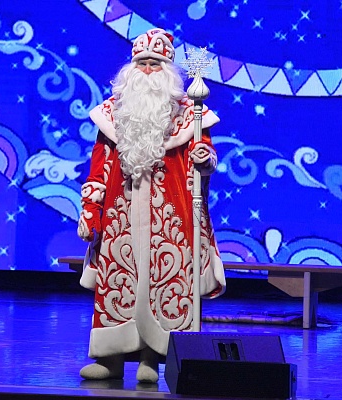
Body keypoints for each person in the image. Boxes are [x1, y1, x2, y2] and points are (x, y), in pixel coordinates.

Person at [77, 28, 226, 383]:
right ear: (130, 68)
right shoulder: (112, 114)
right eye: (141, 62)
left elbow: (204, 157)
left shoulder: (190, 115)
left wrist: (205, 160)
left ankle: (153, 357)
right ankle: (110, 359)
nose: (146, 70)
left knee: (165, 284)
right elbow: (99, 166)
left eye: (154, 63)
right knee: (118, 283)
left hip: (169, 216)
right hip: (121, 215)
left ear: (167, 70)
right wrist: (90, 209)